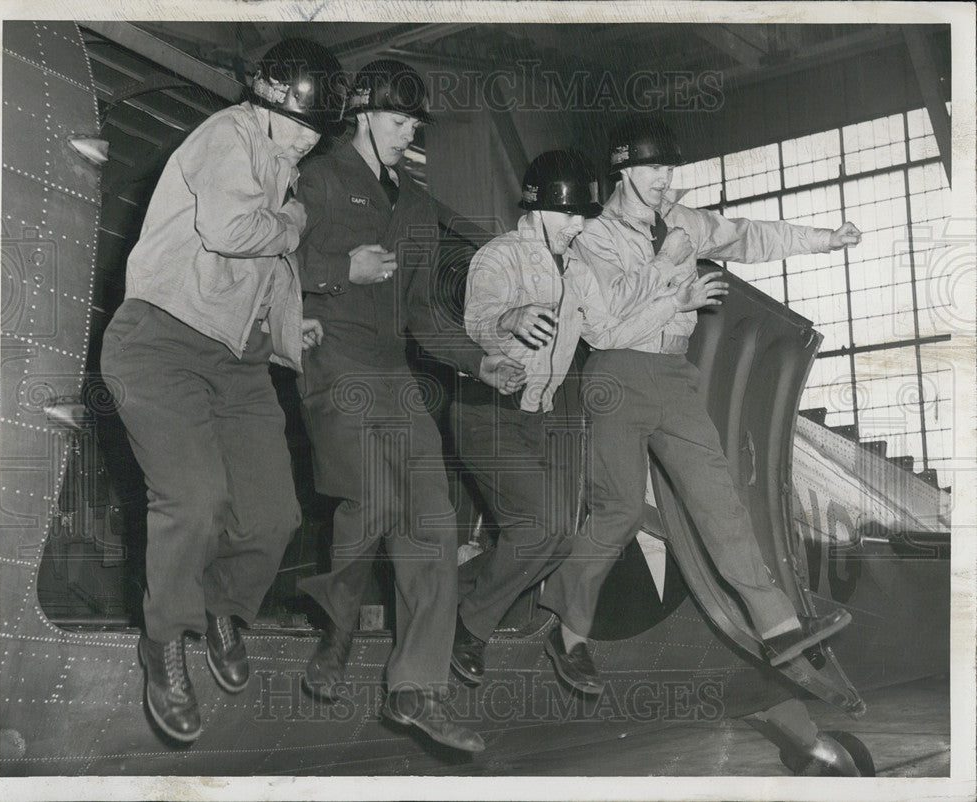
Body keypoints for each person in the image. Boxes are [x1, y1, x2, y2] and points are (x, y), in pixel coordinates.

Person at [538, 116, 863, 692]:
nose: (665, 179)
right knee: (615, 514)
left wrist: (822, 239)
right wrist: (672, 275)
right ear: (622, 167)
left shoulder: (682, 222)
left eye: (669, 168)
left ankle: (777, 623)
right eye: (653, 168)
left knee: (721, 501)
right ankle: (569, 632)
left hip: (674, 372)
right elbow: (607, 322)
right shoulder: (593, 234)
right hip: (617, 373)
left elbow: (745, 234)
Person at [100, 39, 344, 743]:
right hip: (160, 343)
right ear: (260, 100)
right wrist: (295, 223)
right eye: (293, 123)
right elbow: (235, 229)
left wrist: (292, 329)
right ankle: (165, 641)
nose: (304, 140)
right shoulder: (227, 135)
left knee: (274, 517)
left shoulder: (278, 166)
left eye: (314, 131)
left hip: (237, 362)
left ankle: (221, 608)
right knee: (195, 499)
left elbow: (265, 277)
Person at [294, 59, 523, 753]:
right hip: (329, 356)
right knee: (373, 499)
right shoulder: (315, 178)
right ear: (362, 113)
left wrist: (481, 357)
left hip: (392, 368)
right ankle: (335, 623)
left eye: (414, 124)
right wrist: (340, 271)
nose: (407, 133)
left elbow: (425, 313)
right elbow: (260, 263)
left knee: (433, 518)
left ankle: (417, 688)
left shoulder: (417, 205)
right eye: (398, 121)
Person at [451, 149, 724, 686]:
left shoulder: (577, 267)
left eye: (583, 218)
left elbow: (607, 335)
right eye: (569, 216)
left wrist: (677, 302)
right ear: (535, 208)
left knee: (559, 536)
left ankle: (462, 598)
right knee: (543, 529)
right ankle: (466, 626)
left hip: (541, 415)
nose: (577, 227)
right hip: (489, 410)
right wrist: (512, 316)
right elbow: (477, 322)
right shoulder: (498, 257)